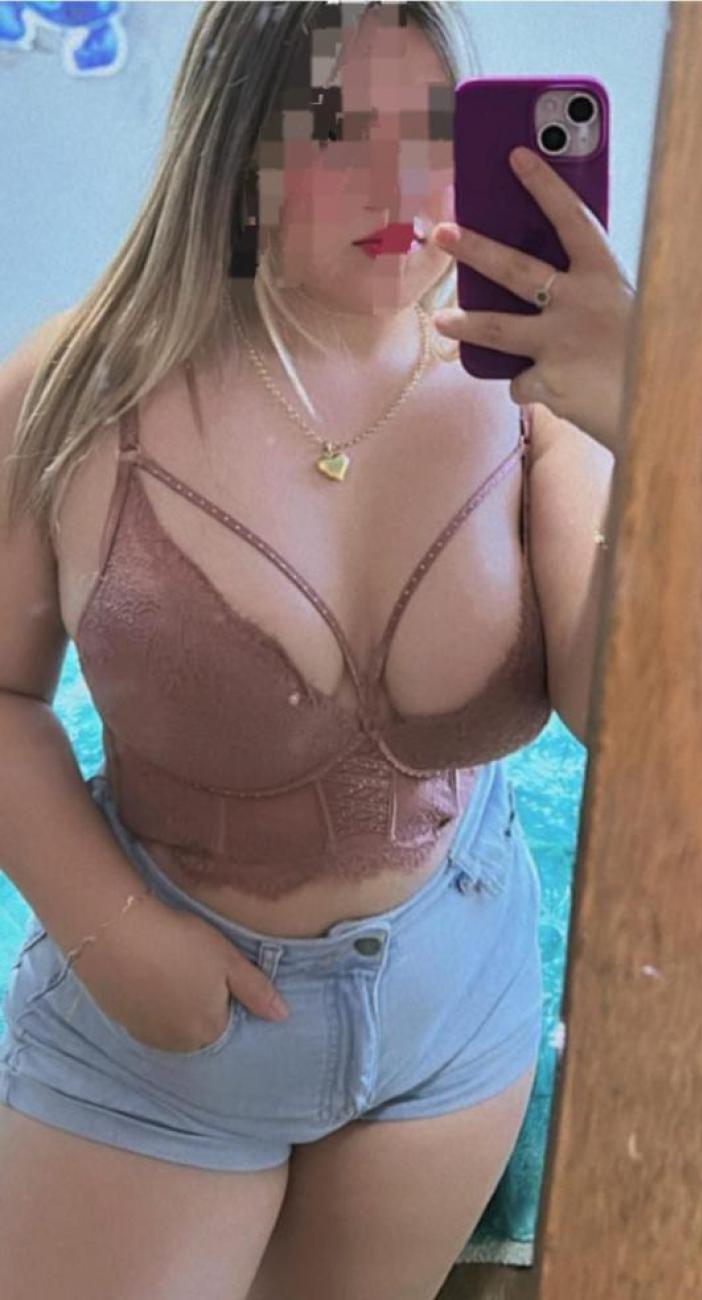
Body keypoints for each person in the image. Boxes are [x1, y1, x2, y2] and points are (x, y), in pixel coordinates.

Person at [0, 2, 631, 1296]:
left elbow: (617, 709)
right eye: (341, 129)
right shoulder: (77, 390)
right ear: (235, 148)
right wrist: (109, 930)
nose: (403, 184)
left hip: (454, 1012)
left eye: (437, 129)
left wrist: (650, 420)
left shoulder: (535, 396)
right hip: (156, 1040)